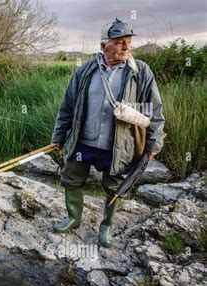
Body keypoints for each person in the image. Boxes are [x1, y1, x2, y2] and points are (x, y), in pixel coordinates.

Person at [50, 18, 165, 248]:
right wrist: (59, 136)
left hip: (117, 145)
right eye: (120, 42)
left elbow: (154, 110)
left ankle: (106, 226)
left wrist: (153, 145)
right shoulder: (85, 70)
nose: (126, 47)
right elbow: (68, 106)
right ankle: (73, 218)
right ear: (104, 47)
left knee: (114, 186)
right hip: (82, 143)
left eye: (128, 42)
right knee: (71, 179)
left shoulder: (140, 72)